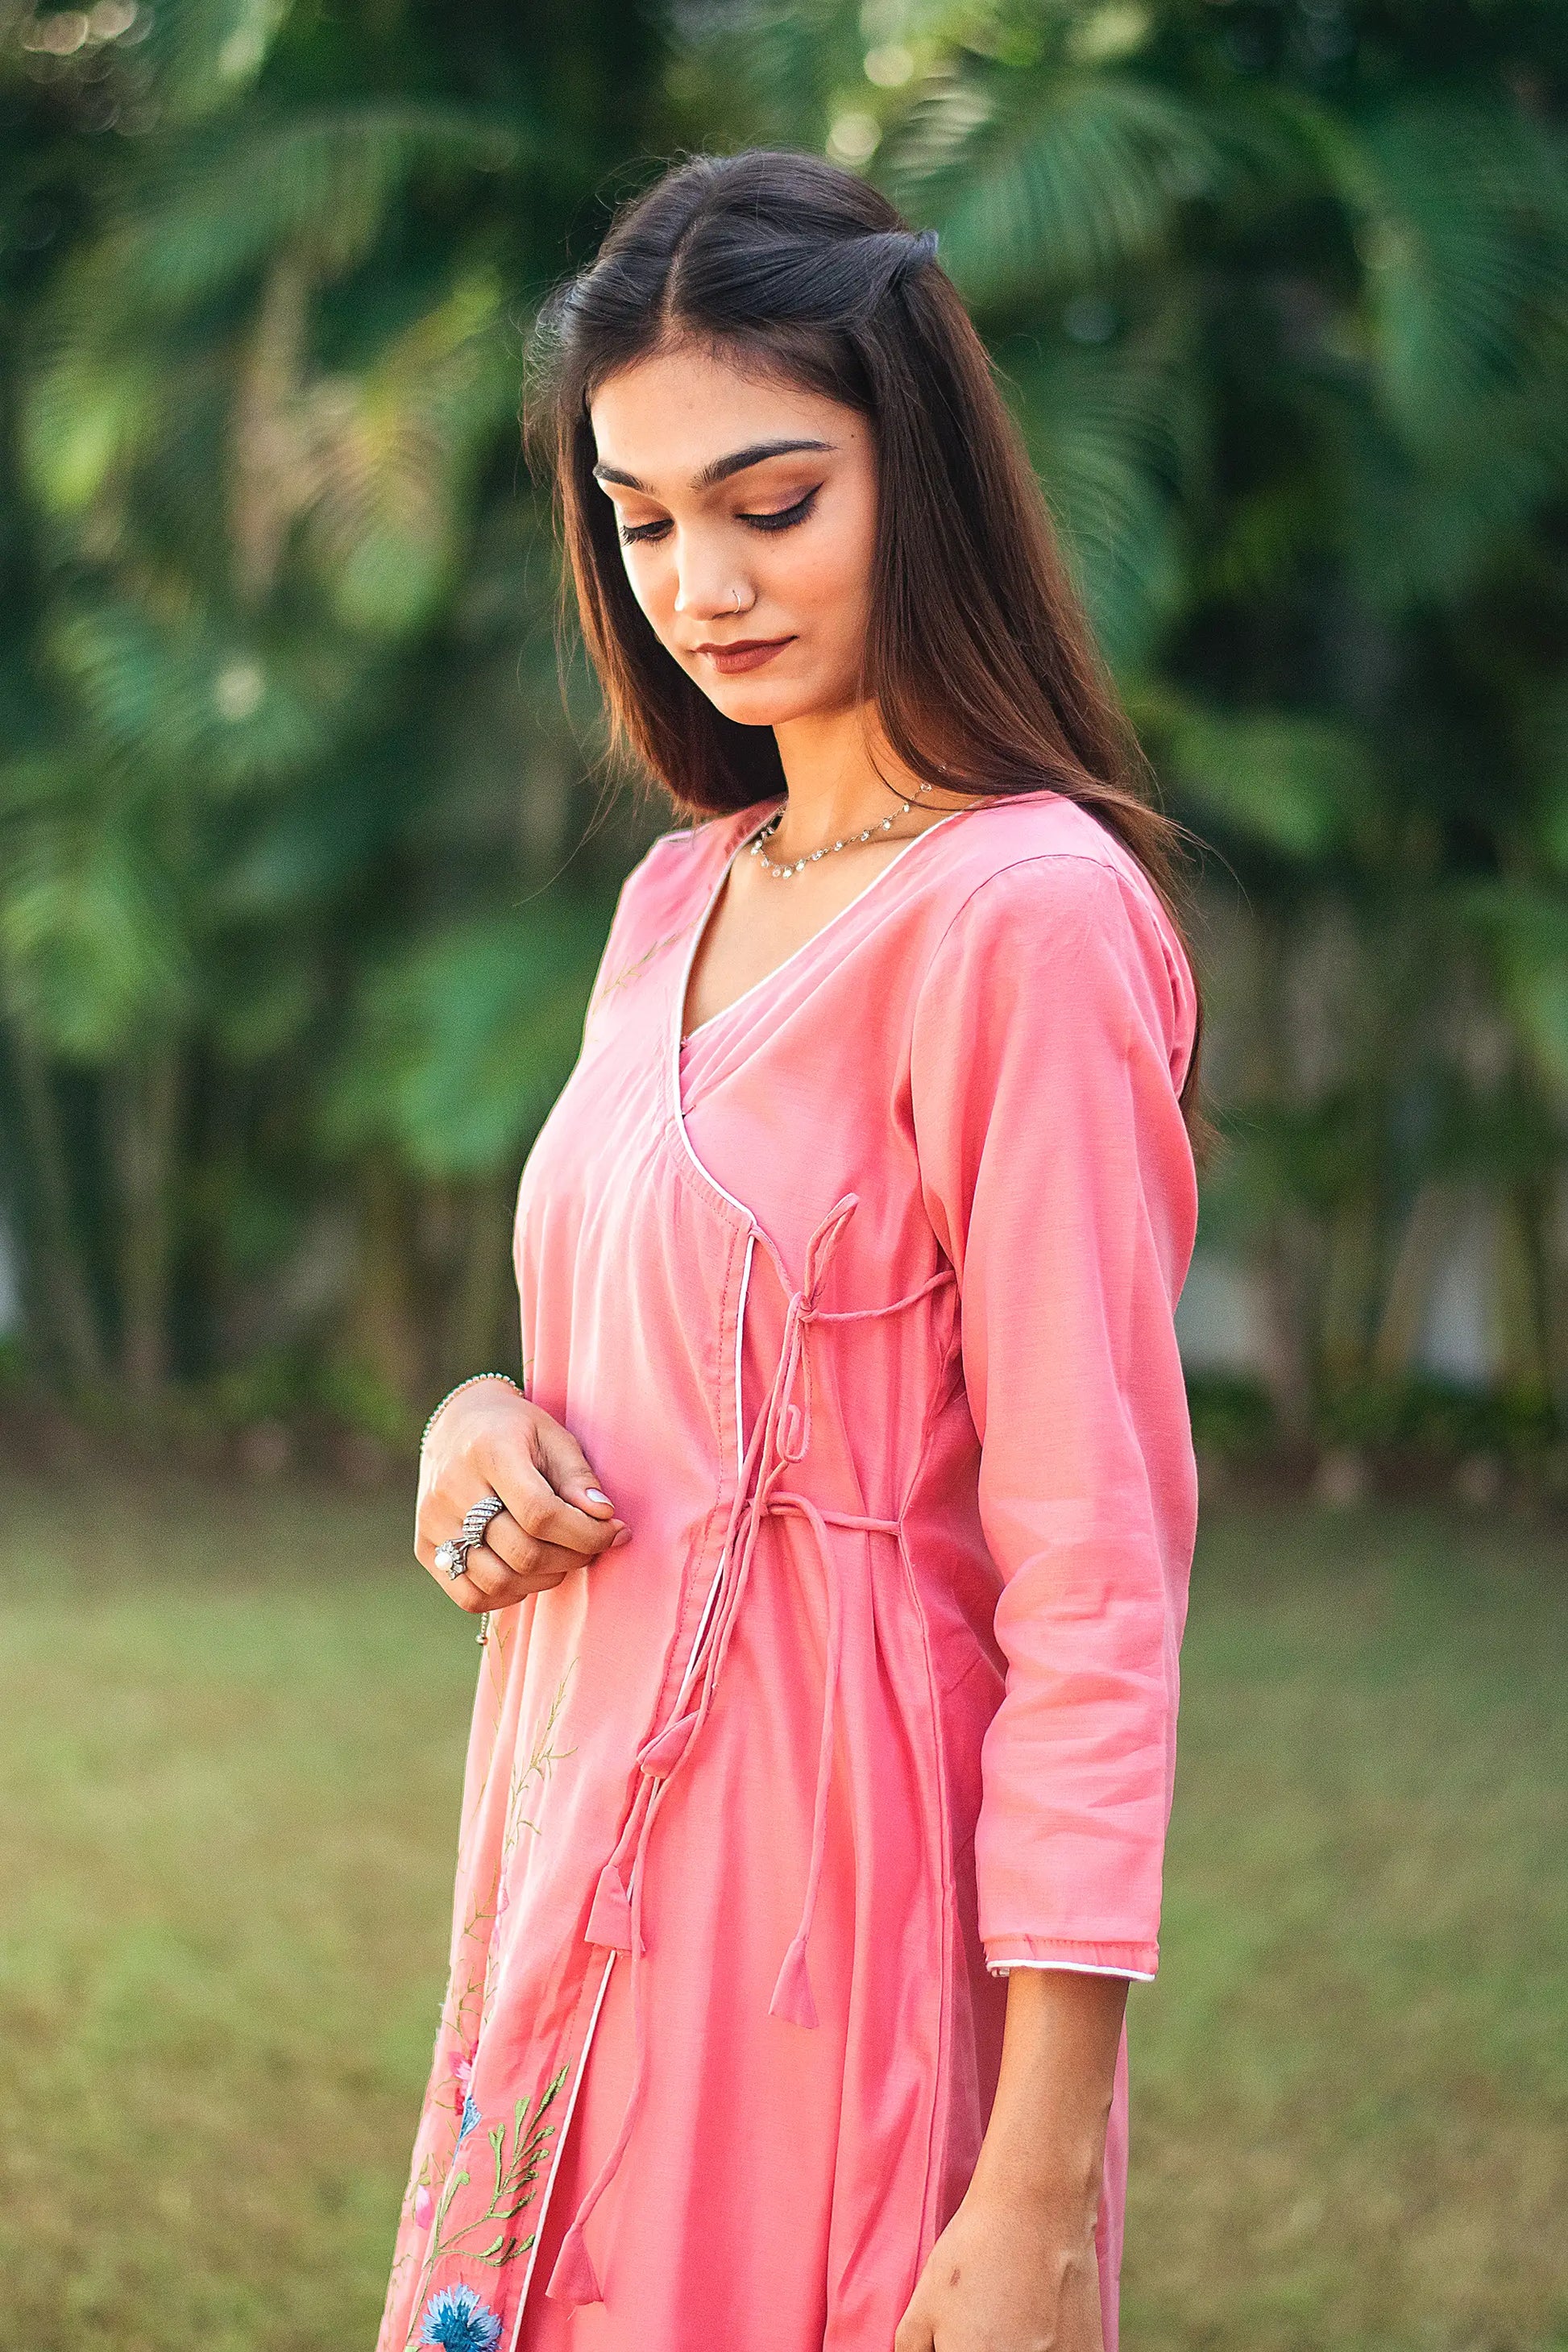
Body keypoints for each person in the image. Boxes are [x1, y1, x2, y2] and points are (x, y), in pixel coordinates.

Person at [376, 148, 1204, 2352]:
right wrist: (481, 1421)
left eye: (768, 499)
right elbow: (624, 1363)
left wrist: (1032, 2180)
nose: (699, 581)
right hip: (569, 1885)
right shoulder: (677, 899)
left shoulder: (1024, 918)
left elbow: (1095, 1579)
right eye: (640, 520)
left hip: (825, 1939)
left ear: (911, 469)